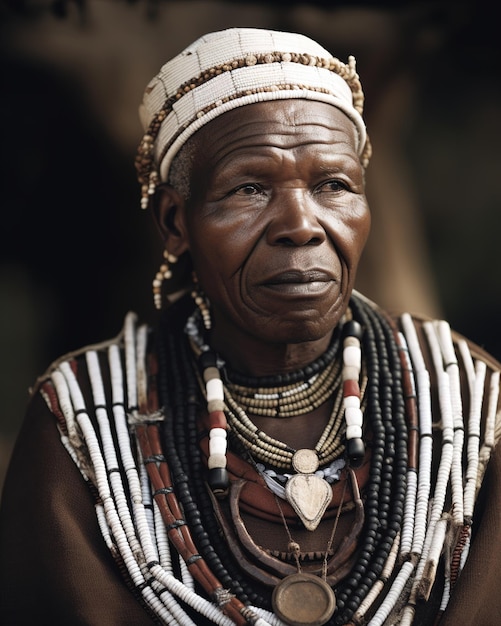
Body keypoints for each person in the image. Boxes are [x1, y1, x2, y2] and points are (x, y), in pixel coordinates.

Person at [1, 27, 500, 626]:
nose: (302, 225)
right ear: (174, 223)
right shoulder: (81, 423)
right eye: (250, 188)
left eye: (333, 185)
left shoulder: (472, 403)